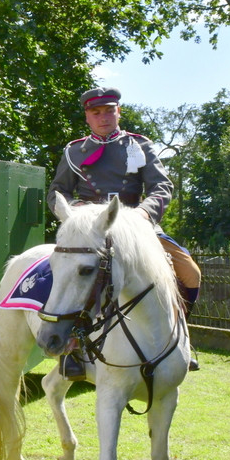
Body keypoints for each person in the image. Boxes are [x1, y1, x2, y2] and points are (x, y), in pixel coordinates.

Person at [47, 87, 202, 379]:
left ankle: (180, 341)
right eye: (96, 112)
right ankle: (73, 350)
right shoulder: (73, 151)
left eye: (109, 110)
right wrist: (76, 212)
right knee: (63, 275)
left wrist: (143, 214)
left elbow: (162, 187)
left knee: (190, 273)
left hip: (137, 228)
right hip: (90, 232)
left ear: (118, 112)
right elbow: (56, 192)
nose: (103, 117)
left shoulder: (141, 145)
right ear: (87, 117)